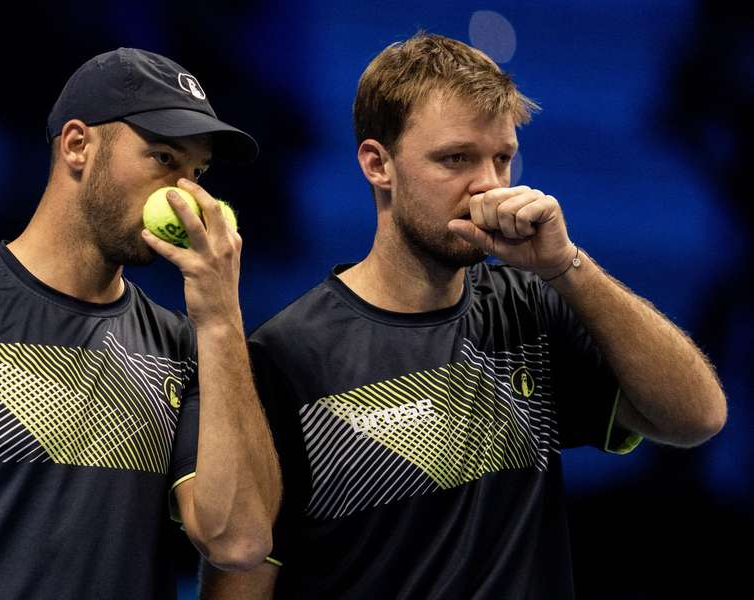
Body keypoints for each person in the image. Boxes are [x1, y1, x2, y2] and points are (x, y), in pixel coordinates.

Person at [201, 32, 726, 599]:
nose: (490, 185)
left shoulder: (534, 307)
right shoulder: (284, 354)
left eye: (501, 158)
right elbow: (242, 581)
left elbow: (695, 417)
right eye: (456, 159)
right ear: (378, 164)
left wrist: (568, 267)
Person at [0, 48, 280, 599]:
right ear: (78, 145)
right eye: (163, 159)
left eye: (197, 172)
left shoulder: (185, 345)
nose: (186, 197)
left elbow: (239, 542)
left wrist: (222, 317)